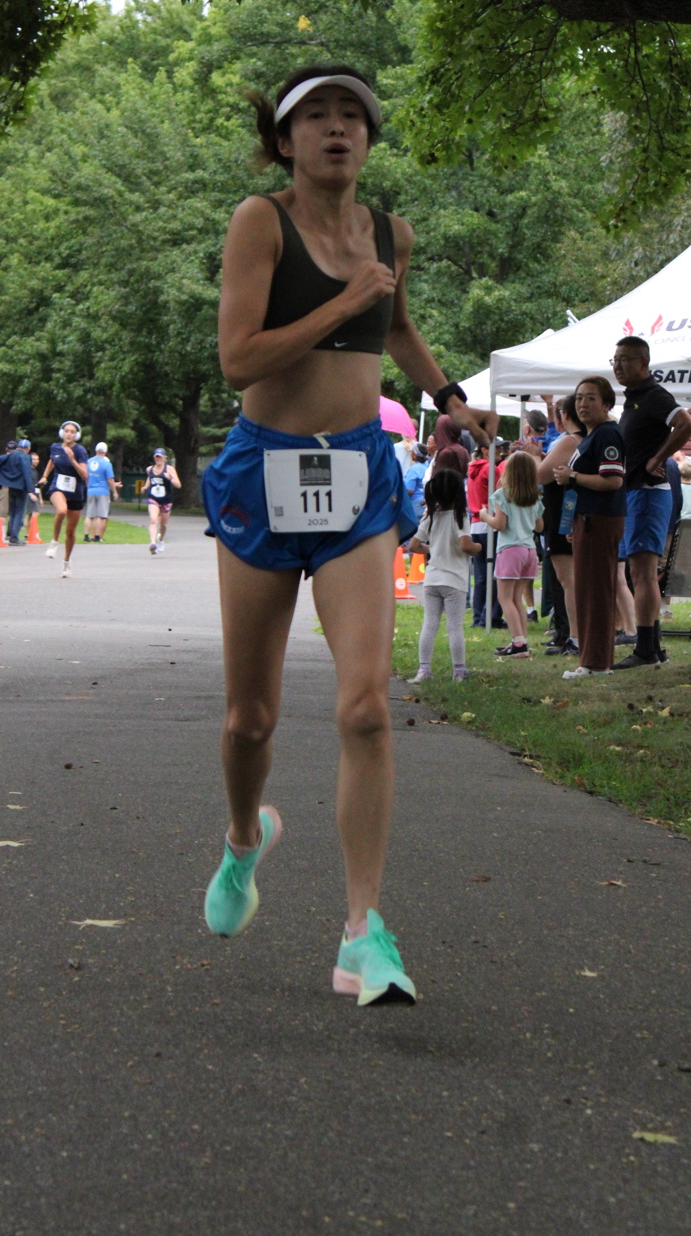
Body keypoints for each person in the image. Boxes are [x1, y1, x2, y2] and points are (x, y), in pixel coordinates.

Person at [200, 64, 493, 1006]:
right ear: (285, 141)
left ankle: (363, 932)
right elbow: (238, 358)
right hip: (263, 473)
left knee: (365, 705)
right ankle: (245, 836)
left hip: (359, 477)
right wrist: (339, 299)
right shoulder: (260, 222)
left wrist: (451, 398)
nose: (337, 129)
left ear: (368, 137)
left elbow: (395, 326)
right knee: (250, 719)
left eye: (352, 117)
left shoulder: (391, 234)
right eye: (317, 116)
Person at [611, 336, 691, 669]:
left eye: (625, 360)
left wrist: (658, 458)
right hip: (635, 493)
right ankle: (654, 648)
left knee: (642, 574)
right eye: (615, 360)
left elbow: (686, 423)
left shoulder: (654, 395)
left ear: (644, 363)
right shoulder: (634, 399)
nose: (618, 366)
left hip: (647, 492)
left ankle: (645, 649)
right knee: (639, 573)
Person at [552, 376, 627, 677]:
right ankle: (593, 658)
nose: (583, 404)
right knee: (588, 589)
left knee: (595, 591)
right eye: (580, 397)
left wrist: (572, 477)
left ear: (607, 404)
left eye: (591, 398)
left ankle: (595, 662)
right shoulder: (592, 435)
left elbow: (613, 480)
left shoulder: (607, 434)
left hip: (600, 519)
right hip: (586, 518)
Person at [406, 470, 482, 682]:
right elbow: (465, 545)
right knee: (454, 626)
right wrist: (478, 547)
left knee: (429, 624)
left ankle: (423, 669)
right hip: (454, 581)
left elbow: (414, 545)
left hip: (432, 580)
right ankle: (459, 670)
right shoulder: (461, 516)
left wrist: (434, 549)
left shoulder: (430, 516)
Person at [480, 449, 543, 659]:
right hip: (529, 549)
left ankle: (518, 642)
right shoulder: (535, 497)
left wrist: (484, 515)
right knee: (517, 598)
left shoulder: (502, 495)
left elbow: (499, 524)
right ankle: (522, 640)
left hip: (510, 549)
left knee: (504, 598)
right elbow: (540, 526)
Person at [536, 394, 585, 657]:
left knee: (569, 581)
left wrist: (534, 458)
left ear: (565, 416)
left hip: (562, 515)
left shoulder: (569, 440)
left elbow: (541, 475)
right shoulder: (587, 438)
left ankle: (575, 637)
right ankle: (576, 635)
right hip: (574, 513)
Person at [39, 421, 89, 577]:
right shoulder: (55, 447)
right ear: (62, 432)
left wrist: (72, 459)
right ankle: (54, 542)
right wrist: (45, 476)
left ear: (77, 435)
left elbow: (85, 474)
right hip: (58, 487)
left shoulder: (80, 450)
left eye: (72, 432)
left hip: (75, 492)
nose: (69, 434)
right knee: (61, 510)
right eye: (66, 431)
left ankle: (66, 562)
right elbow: (52, 460)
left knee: (70, 532)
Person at [466, 440, 505, 628]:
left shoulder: (473, 469)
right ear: (484, 449)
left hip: (475, 524)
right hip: (489, 522)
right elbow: (498, 496)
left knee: (481, 575)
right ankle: (490, 617)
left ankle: (478, 617)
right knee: (496, 574)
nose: (501, 451)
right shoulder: (490, 469)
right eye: (497, 447)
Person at [0, 439, 37, 545]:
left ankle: (10, 535)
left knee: (13, 512)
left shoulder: (10, 455)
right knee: (19, 512)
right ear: (28, 448)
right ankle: (14, 538)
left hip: (11, 486)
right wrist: (30, 490)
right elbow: (27, 472)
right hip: (21, 487)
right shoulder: (26, 457)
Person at [143, 449, 181, 554]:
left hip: (166, 500)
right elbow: (150, 478)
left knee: (164, 524)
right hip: (153, 498)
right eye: (157, 457)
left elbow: (178, 485)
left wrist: (170, 478)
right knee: (153, 520)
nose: (158, 459)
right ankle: (152, 543)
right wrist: (145, 487)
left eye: (160, 457)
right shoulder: (150, 469)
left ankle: (160, 539)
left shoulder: (169, 469)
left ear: (164, 458)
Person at [85, 442, 120, 542]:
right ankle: (97, 536)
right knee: (100, 515)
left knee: (89, 515)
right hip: (102, 491)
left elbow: (86, 476)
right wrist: (114, 491)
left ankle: (86, 535)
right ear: (106, 451)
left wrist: (88, 485)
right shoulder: (106, 463)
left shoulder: (89, 462)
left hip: (91, 490)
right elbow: (110, 479)